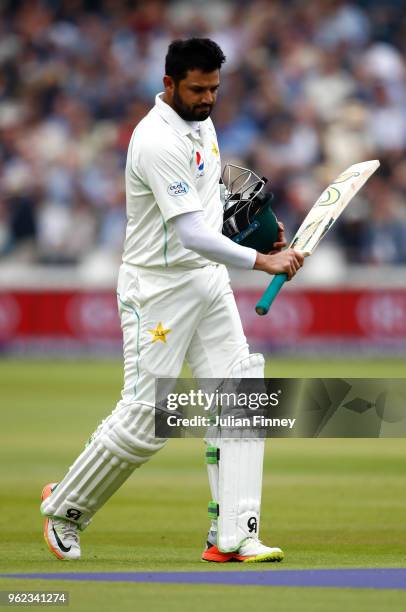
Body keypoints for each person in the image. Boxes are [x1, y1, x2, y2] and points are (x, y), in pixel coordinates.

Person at [40, 38, 304, 562]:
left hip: (205, 281)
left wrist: (263, 234)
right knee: (148, 416)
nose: (207, 99)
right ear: (169, 84)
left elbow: (212, 206)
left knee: (241, 398)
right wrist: (262, 263)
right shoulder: (155, 140)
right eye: (197, 89)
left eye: (214, 89)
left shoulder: (201, 122)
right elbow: (190, 233)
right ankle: (65, 506)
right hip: (157, 289)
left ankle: (232, 534)